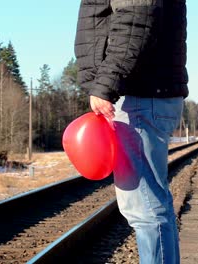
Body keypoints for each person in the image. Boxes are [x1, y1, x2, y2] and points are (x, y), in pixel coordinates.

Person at [75, 0, 189, 263]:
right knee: (152, 206)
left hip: (139, 93)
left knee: (145, 209)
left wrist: (105, 85)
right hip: (143, 92)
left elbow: (136, 18)